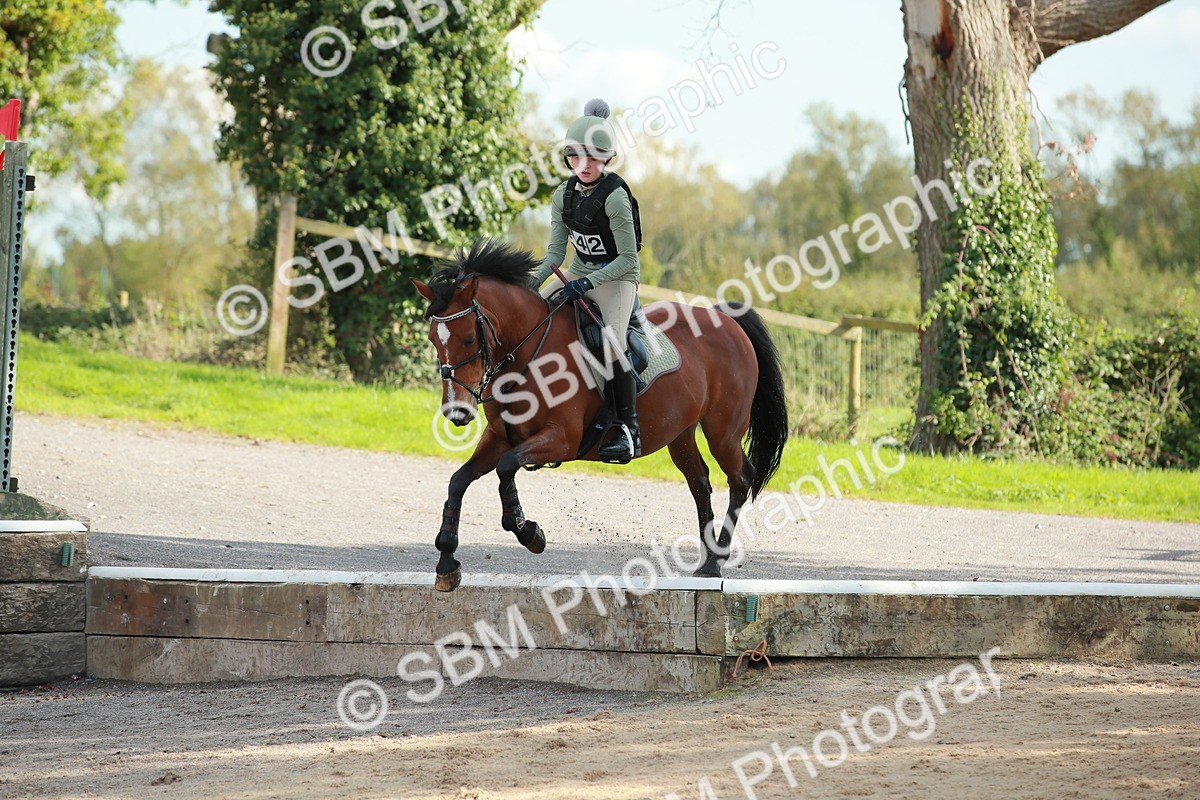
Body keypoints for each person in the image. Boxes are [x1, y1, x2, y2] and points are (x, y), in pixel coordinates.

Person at [530, 98, 643, 462]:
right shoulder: (562, 196)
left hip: (618, 278)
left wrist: (589, 283)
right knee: (535, 319)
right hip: (579, 272)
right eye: (576, 157)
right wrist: (530, 286)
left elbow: (628, 258)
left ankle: (629, 429)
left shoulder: (615, 198)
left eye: (593, 158)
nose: (584, 165)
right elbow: (554, 256)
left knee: (612, 342)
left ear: (607, 159)